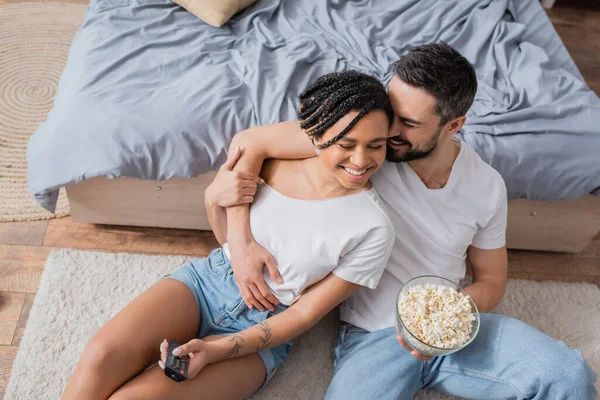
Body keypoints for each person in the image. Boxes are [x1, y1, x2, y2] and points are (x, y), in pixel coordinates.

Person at [211, 42, 598, 399]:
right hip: (374, 335)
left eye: (409, 124)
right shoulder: (365, 153)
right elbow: (251, 142)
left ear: (453, 126)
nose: (389, 131)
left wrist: (445, 315)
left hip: (448, 325)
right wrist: (240, 242)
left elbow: (492, 281)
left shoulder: (487, 187)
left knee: (567, 376)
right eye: (392, 113)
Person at [61, 71, 396, 400]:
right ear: (317, 134)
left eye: (375, 146)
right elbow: (246, 148)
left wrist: (217, 349)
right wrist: (242, 246)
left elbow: (302, 315)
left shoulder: (374, 228)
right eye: (346, 144)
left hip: (267, 326)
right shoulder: (276, 154)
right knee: (99, 357)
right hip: (208, 281)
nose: (361, 160)